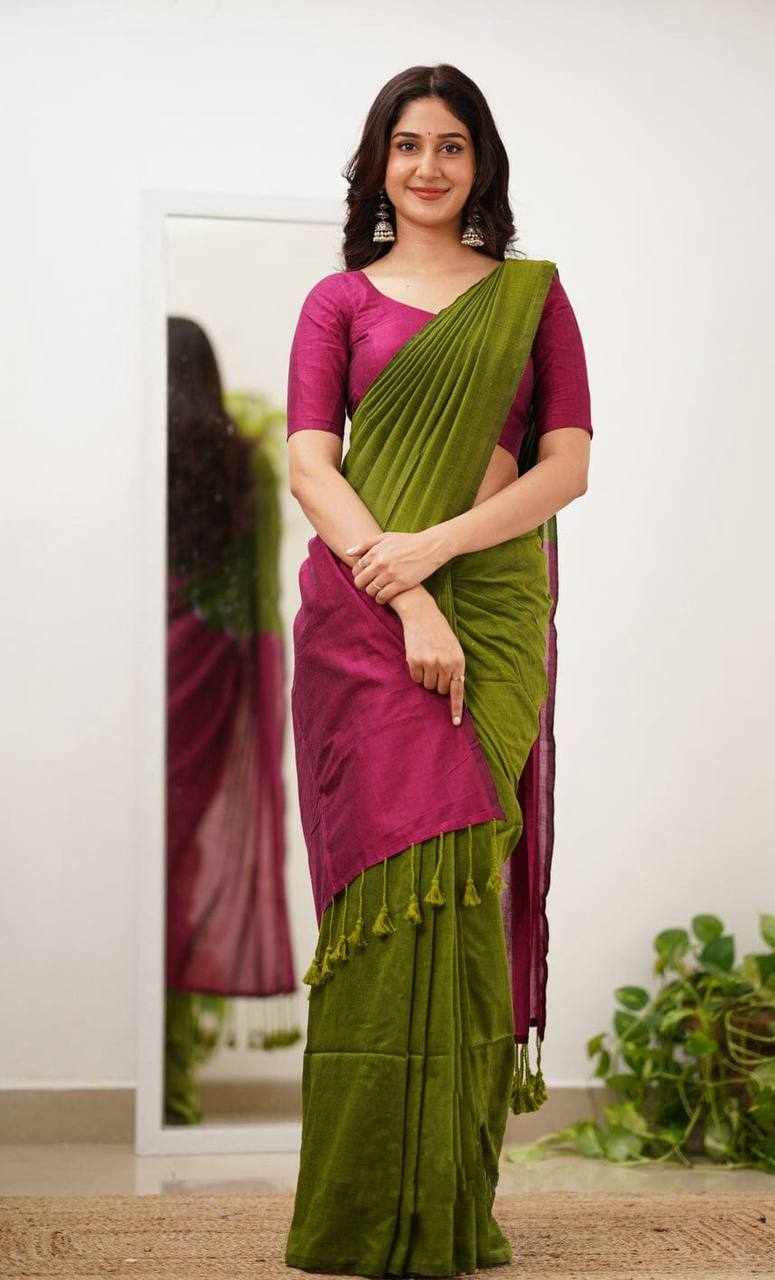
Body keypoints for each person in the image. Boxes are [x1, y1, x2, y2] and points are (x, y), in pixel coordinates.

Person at [284, 63, 592, 1277]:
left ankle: (452, 1200)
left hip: (498, 605)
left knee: (465, 882)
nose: (427, 166)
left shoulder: (530, 298)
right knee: (384, 891)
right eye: (407, 144)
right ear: (378, 163)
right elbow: (312, 465)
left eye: (451, 145)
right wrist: (406, 588)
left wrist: (442, 547)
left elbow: (564, 466)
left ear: (480, 164)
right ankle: (358, 1206)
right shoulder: (337, 301)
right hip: (366, 613)